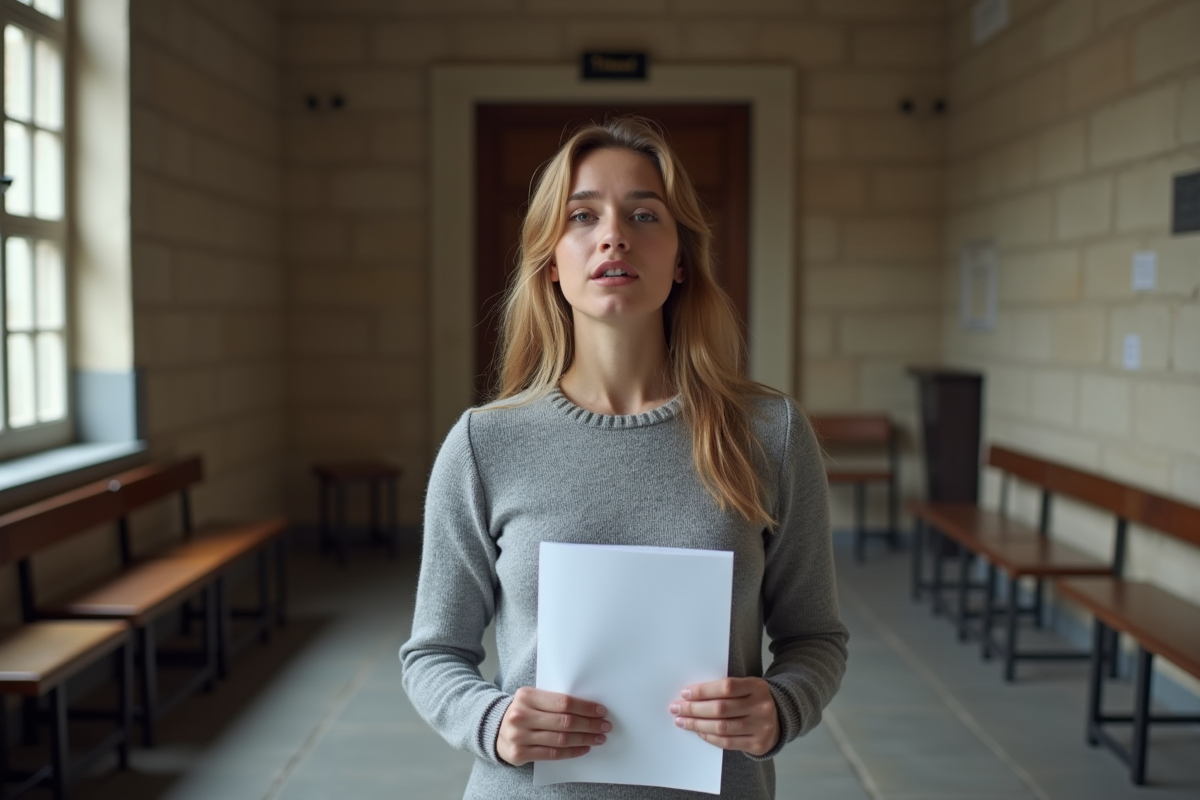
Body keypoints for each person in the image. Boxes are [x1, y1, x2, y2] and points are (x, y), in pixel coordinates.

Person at [400, 117, 847, 799]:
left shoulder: (769, 433)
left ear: (681, 260)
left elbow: (815, 637)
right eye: (583, 216)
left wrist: (782, 706)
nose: (614, 234)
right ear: (552, 263)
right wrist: (490, 720)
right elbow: (433, 653)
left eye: (644, 213)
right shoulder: (484, 444)